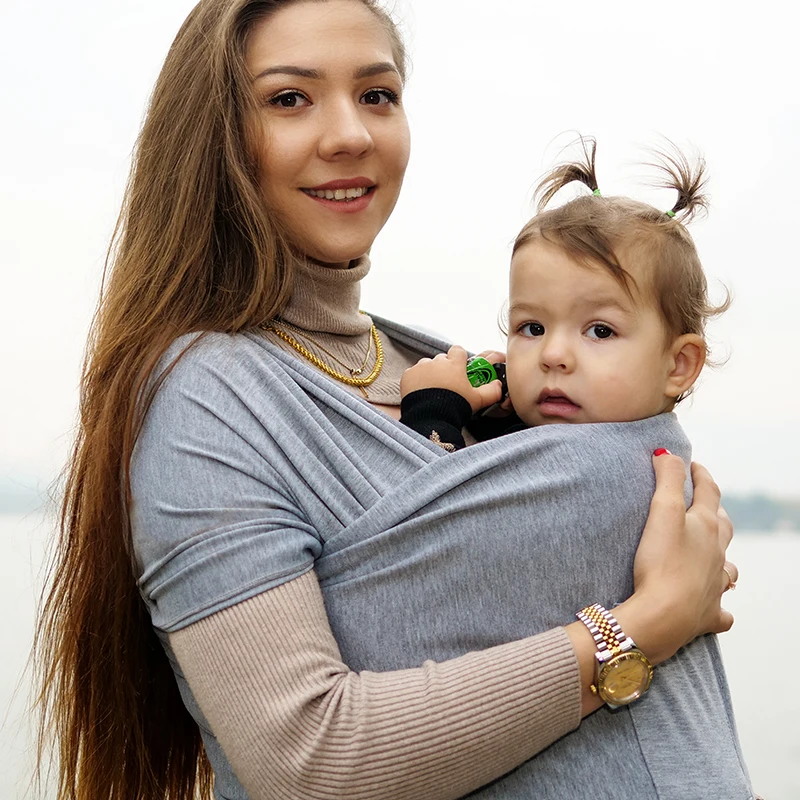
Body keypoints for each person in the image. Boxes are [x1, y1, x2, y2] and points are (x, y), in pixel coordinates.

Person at [33, 2, 749, 800]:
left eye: (377, 95)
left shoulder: (453, 369)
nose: (351, 135)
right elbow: (309, 763)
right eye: (289, 99)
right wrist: (644, 628)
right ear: (214, 140)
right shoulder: (209, 398)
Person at [398, 140, 727, 451]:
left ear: (678, 365)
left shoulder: (600, 465)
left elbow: (446, 508)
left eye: (600, 331)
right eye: (532, 328)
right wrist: (497, 427)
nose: (552, 355)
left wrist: (434, 411)